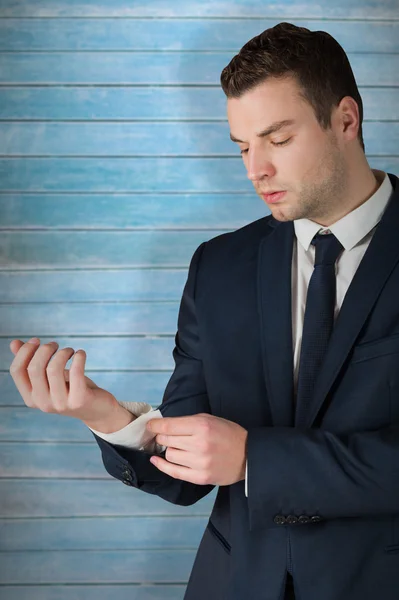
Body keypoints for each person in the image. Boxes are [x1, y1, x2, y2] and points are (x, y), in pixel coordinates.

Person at [9, 22, 399, 600]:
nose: (255, 169)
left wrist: (257, 460)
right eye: (243, 146)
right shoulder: (219, 267)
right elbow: (192, 470)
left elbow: (242, 458)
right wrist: (109, 417)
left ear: (346, 120)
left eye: (278, 139)